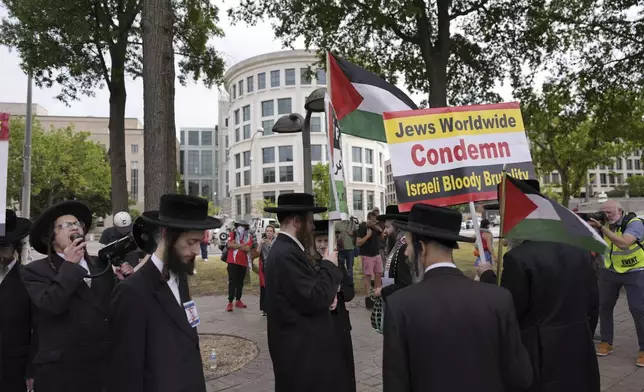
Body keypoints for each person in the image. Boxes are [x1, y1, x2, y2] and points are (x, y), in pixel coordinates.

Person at [383, 203, 533, 392]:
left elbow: (396, 385)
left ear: (421, 247)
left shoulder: (400, 306)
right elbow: (521, 377)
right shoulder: (498, 299)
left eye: (408, 245)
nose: (406, 252)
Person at [479, 179, 600, 392]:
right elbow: (593, 304)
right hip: (580, 353)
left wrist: (487, 274)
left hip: (541, 358)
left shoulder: (518, 258)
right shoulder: (579, 249)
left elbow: (510, 310)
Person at [108, 194, 222, 392]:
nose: (197, 250)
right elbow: (125, 374)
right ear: (166, 234)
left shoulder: (180, 277)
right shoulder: (132, 293)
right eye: (190, 242)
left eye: (199, 242)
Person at [22, 201, 130, 392]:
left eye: (77, 223)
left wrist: (124, 283)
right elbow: (51, 305)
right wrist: (70, 266)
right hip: (62, 374)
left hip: (101, 370)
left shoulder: (100, 266)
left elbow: (112, 310)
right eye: (65, 225)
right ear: (52, 238)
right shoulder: (35, 271)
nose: (74, 227)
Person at [263, 193, 344, 392]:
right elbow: (314, 297)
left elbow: (303, 291)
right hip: (299, 355)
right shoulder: (286, 253)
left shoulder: (288, 249)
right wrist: (328, 266)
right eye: (310, 222)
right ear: (297, 222)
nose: (313, 227)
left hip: (301, 351)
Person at [589, 199, 644, 366]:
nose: (606, 215)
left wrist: (601, 228)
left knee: (637, 309)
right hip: (610, 271)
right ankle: (606, 342)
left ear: (620, 211)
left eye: (610, 212)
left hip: (635, 270)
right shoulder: (605, 224)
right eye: (604, 212)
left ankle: (643, 349)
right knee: (604, 306)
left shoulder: (634, 223)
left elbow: (624, 243)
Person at [311, 219, 356, 392]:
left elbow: (350, 292)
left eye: (325, 241)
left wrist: (338, 291)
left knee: (344, 370)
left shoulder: (339, 262)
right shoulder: (310, 265)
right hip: (320, 327)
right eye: (319, 241)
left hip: (340, 325)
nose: (322, 245)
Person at [0, 210, 35, 392]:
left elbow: (37, 329)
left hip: (13, 368)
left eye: (4, 247)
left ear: (16, 247)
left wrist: (31, 370)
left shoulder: (28, 279)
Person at [373, 205, 415, 303]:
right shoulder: (398, 245)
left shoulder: (404, 248)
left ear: (398, 228)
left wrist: (382, 291)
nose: (384, 232)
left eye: (387, 227)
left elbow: (405, 284)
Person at [356, 211, 383, 308]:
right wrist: (367, 236)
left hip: (377, 254)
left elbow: (383, 238)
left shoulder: (377, 227)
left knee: (379, 274)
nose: (374, 223)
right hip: (367, 255)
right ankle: (368, 298)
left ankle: (377, 295)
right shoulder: (363, 227)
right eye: (372, 221)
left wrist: (380, 230)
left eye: (375, 221)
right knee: (367, 276)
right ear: (368, 220)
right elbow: (358, 243)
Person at [225, 220, 252, 312]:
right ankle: (230, 302)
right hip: (232, 261)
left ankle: (238, 300)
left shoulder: (248, 236)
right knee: (232, 281)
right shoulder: (233, 234)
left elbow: (247, 248)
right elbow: (229, 244)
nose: (241, 228)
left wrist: (235, 245)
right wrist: (241, 246)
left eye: (243, 226)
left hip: (243, 262)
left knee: (240, 282)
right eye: (240, 226)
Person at [258, 224, 276, 316]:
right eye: (267, 231)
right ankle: (265, 308)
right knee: (264, 287)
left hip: (275, 266)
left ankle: (274, 306)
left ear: (273, 232)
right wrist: (260, 244)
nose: (269, 232)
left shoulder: (276, 241)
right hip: (265, 265)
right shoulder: (263, 241)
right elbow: (257, 252)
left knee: (274, 286)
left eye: (270, 231)